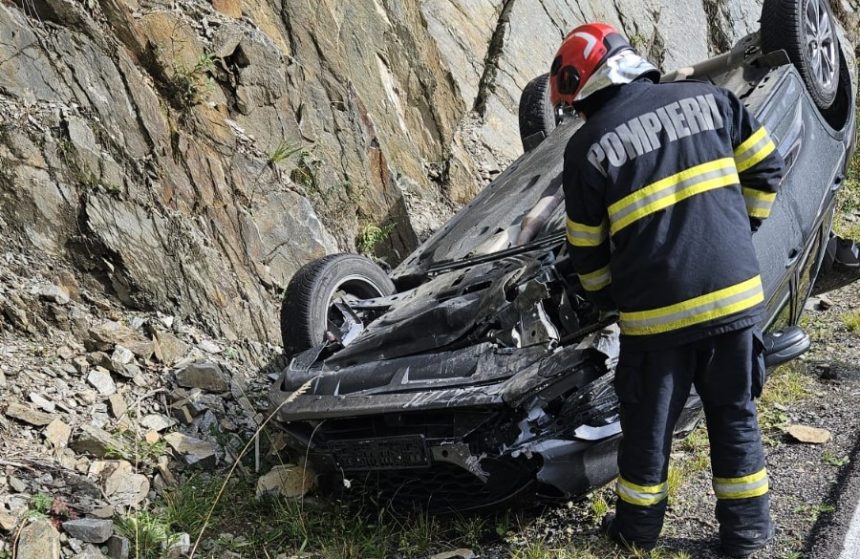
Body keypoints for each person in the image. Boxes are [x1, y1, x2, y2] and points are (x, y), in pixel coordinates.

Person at [549, 23, 786, 556]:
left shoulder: (587, 148)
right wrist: (737, 234)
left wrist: (608, 297)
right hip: (733, 300)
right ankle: (748, 534)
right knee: (734, 414)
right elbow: (767, 168)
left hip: (657, 318)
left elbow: (587, 253)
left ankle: (637, 532)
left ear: (583, 88)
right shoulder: (712, 99)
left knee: (648, 429)